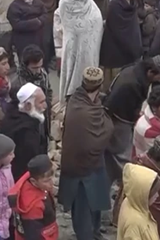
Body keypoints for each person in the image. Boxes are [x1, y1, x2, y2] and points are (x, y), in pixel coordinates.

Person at [59, 67, 114, 240]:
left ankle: (95, 232)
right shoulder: (80, 108)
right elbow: (105, 129)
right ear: (100, 85)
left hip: (95, 162)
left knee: (95, 203)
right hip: (80, 167)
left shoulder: (85, 101)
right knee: (83, 206)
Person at [105, 57, 160, 199]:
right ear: (150, 72)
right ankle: (129, 187)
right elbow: (119, 106)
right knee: (121, 156)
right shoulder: (132, 85)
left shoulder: (133, 72)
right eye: (159, 77)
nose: (159, 80)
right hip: (119, 122)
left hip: (118, 118)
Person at [56, 0, 104, 101]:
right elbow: (70, 26)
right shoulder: (65, 3)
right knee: (73, 73)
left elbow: (95, 18)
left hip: (90, 45)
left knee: (90, 72)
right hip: (74, 45)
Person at [0, 82, 49, 181]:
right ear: (28, 106)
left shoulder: (15, 116)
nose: (45, 106)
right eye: (41, 102)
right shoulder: (25, 131)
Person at [101, 0, 143, 88]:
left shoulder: (133, 2)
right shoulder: (115, 5)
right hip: (117, 54)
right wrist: (131, 47)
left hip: (131, 54)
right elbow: (118, 32)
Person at [9, 155, 59, 240]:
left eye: (53, 177)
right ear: (33, 181)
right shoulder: (32, 207)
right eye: (46, 181)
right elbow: (33, 235)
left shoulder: (33, 178)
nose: (52, 182)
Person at [116, 162, 160, 240]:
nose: (157, 195)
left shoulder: (131, 201)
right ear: (143, 193)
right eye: (153, 193)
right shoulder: (134, 224)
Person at [8, 0, 47, 64]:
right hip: (23, 38)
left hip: (38, 37)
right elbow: (16, 24)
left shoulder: (38, 3)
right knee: (26, 60)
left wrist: (40, 21)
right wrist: (33, 23)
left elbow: (45, 14)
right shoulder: (14, 6)